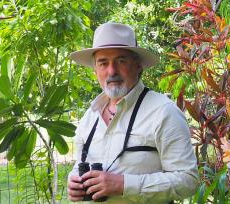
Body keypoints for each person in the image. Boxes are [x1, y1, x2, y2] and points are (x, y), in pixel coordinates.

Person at [67, 22, 199, 203]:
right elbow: (80, 164)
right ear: (95, 70)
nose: (111, 71)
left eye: (121, 61)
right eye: (103, 63)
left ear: (138, 66)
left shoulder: (163, 112)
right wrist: (74, 180)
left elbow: (188, 181)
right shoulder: (90, 116)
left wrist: (123, 185)